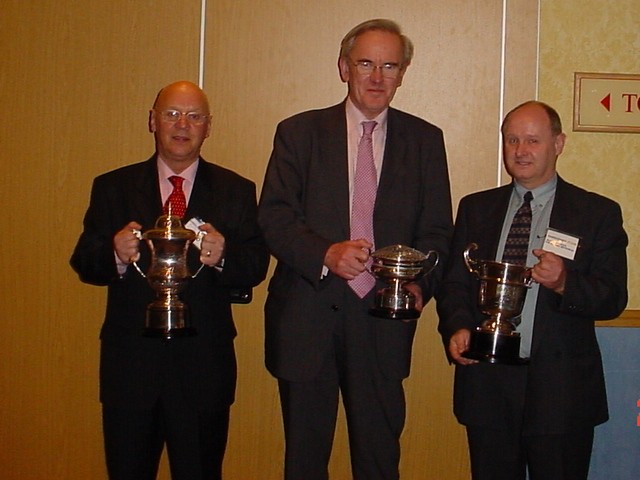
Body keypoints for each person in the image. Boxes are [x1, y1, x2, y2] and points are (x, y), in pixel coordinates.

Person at [258, 19, 453, 480]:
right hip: (306, 320)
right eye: (366, 63)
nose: (377, 77)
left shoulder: (426, 140)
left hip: (384, 325)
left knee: (380, 459)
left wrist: (419, 287)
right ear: (344, 67)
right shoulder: (298, 132)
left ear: (403, 73)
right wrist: (325, 253)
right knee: (304, 462)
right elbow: (275, 217)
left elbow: (438, 232)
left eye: (390, 65)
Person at [70, 80, 269, 480]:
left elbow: (256, 267)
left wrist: (223, 256)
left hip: (202, 370)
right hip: (130, 369)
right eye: (172, 114)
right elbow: (84, 263)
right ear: (153, 121)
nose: (183, 125)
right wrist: (115, 254)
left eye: (194, 116)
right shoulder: (113, 186)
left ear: (208, 127)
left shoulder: (236, 190)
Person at [437, 100, 628, 480]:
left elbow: (612, 298)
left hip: (562, 391)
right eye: (512, 140)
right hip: (488, 384)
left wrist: (564, 283)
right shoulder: (476, 208)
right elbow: (455, 284)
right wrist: (458, 327)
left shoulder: (596, 213)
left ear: (558, 143)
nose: (521, 151)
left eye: (533, 141)